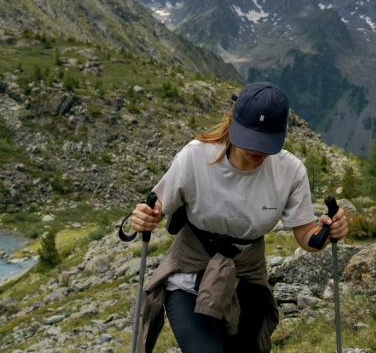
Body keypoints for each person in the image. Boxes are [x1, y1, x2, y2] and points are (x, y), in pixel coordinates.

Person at [130, 81, 348, 353]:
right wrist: (143, 218)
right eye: (250, 139)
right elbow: (156, 208)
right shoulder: (196, 157)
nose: (257, 150)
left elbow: (306, 237)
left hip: (246, 282)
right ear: (233, 122)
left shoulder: (290, 171)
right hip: (190, 276)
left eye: (266, 142)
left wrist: (329, 231)